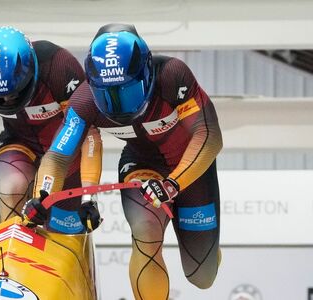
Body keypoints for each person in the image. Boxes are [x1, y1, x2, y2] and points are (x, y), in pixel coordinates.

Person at [24, 24, 223, 299]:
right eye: (106, 93)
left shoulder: (173, 75)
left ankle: (208, 250)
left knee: (202, 275)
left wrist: (173, 184)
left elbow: (209, 136)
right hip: (142, 164)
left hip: (191, 168)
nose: (118, 104)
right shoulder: (84, 101)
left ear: (147, 72)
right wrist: (42, 195)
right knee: (145, 231)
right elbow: (58, 156)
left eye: (127, 91)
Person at [0, 26, 102, 232]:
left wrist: (89, 196)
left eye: (13, 92)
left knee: (63, 231)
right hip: (19, 145)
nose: (6, 100)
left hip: (67, 158)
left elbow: (89, 134)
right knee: (11, 187)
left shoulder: (59, 66)